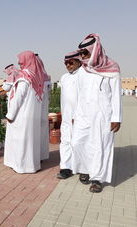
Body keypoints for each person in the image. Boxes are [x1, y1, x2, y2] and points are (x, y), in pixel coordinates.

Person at [72, 33, 122, 193]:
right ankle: (85, 169)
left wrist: (116, 118)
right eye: (80, 53)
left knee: (99, 146)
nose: (82, 56)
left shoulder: (112, 68)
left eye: (84, 53)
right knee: (78, 143)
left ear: (94, 51)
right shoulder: (82, 71)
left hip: (103, 116)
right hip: (82, 115)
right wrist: (75, 115)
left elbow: (116, 95)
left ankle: (97, 179)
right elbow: (78, 96)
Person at [3, 51, 44, 173]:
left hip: (21, 115)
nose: (20, 64)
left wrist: (10, 115)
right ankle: (31, 166)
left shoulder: (24, 76)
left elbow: (19, 96)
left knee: (20, 142)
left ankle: (21, 166)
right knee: (30, 143)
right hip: (32, 115)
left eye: (21, 62)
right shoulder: (36, 76)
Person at [57, 51, 82, 179]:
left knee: (79, 142)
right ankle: (65, 168)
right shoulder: (64, 77)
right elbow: (64, 98)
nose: (68, 65)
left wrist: (77, 115)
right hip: (66, 117)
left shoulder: (84, 75)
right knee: (65, 141)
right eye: (66, 63)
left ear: (79, 61)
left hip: (80, 117)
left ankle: (82, 168)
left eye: (71, 62)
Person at [36, 54, 51, 161]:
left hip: (39, 111)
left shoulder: (44, 78)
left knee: (40, 133)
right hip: (39, 110)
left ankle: (39, 156)